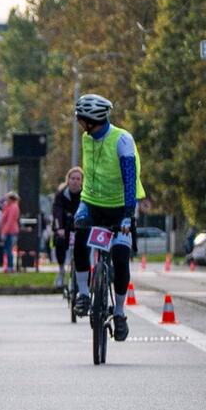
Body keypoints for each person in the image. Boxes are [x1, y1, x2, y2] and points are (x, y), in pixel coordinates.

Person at [72, 94, 144, 341]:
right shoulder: (87, 138)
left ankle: (121, 312)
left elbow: (130, 180)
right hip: (92, 204)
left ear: (92, 120)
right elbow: (91, 175)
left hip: (121, 207)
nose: (80, 124)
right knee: (80, 237)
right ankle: (82, 293)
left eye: (82, 120)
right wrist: (83, 206)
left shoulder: (122, 140)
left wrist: (127, 216)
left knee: (121, 258)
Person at [51, 167, 83, 288]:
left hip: (79, 225)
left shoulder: (85, 194)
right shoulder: (61, 194)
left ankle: (80, 276)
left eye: (78, 179)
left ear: (81, 181)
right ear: (68, 180)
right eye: (72, 178)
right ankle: (61, 270)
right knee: (59, 241)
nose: (75, 181)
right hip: (64, 225)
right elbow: (56, 211)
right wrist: (59, 228)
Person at [0, 191, 20, 272]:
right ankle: (8, 265)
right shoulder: (8, 206)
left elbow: (10, 221)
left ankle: (10, 266)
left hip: (10, 231)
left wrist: (4, 232)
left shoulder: (14, 207)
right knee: (7, 249)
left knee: (8, 250)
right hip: (7, 230)